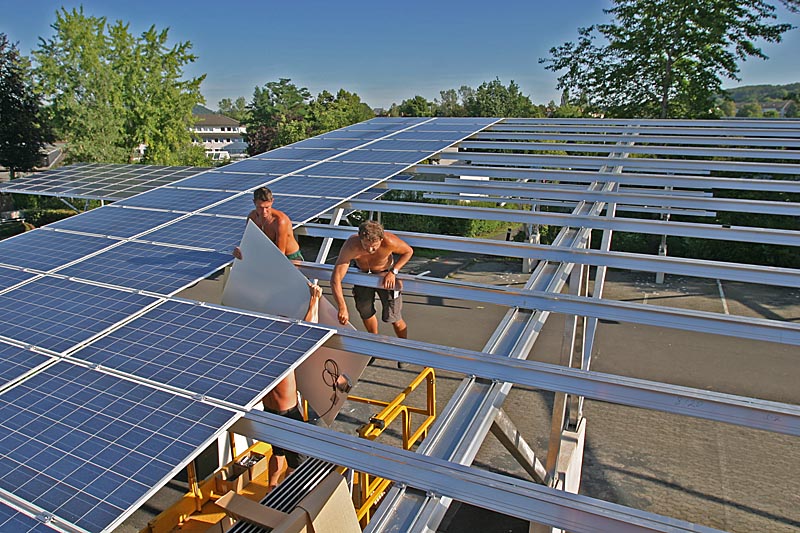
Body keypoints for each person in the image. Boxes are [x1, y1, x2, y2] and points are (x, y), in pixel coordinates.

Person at [262, 283, 322, 491]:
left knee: (277, 453)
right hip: (288, 414)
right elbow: (308, 331)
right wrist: (314, 300)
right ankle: (289, 494)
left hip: (269, 411)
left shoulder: (260, 353)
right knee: (297, 463)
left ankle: (271, 487)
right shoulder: (283, 355)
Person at [331, 220, 413, 368]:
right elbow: (336, 278)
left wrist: (394, 271)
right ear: (360, 238)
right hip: (363, 275)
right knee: (365, 312)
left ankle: (403, 349)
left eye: (374, 247)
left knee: (394, 316)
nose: (369, 250)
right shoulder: (351, 245)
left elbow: (409, 251)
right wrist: (342, 307)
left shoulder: (389, 241)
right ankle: (374, 347)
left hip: (385, 276)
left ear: (381, 240)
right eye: (365, 245)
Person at [233, 187, 304, 261]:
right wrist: (241, 251)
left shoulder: (280, 221)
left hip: (290, 257)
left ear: (272, 201)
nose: (264, 212)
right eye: (260, 207)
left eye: (267, 207)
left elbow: (280, 254)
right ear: (254, 202)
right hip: (269, 254)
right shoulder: (252, 217)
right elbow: (250, 241)